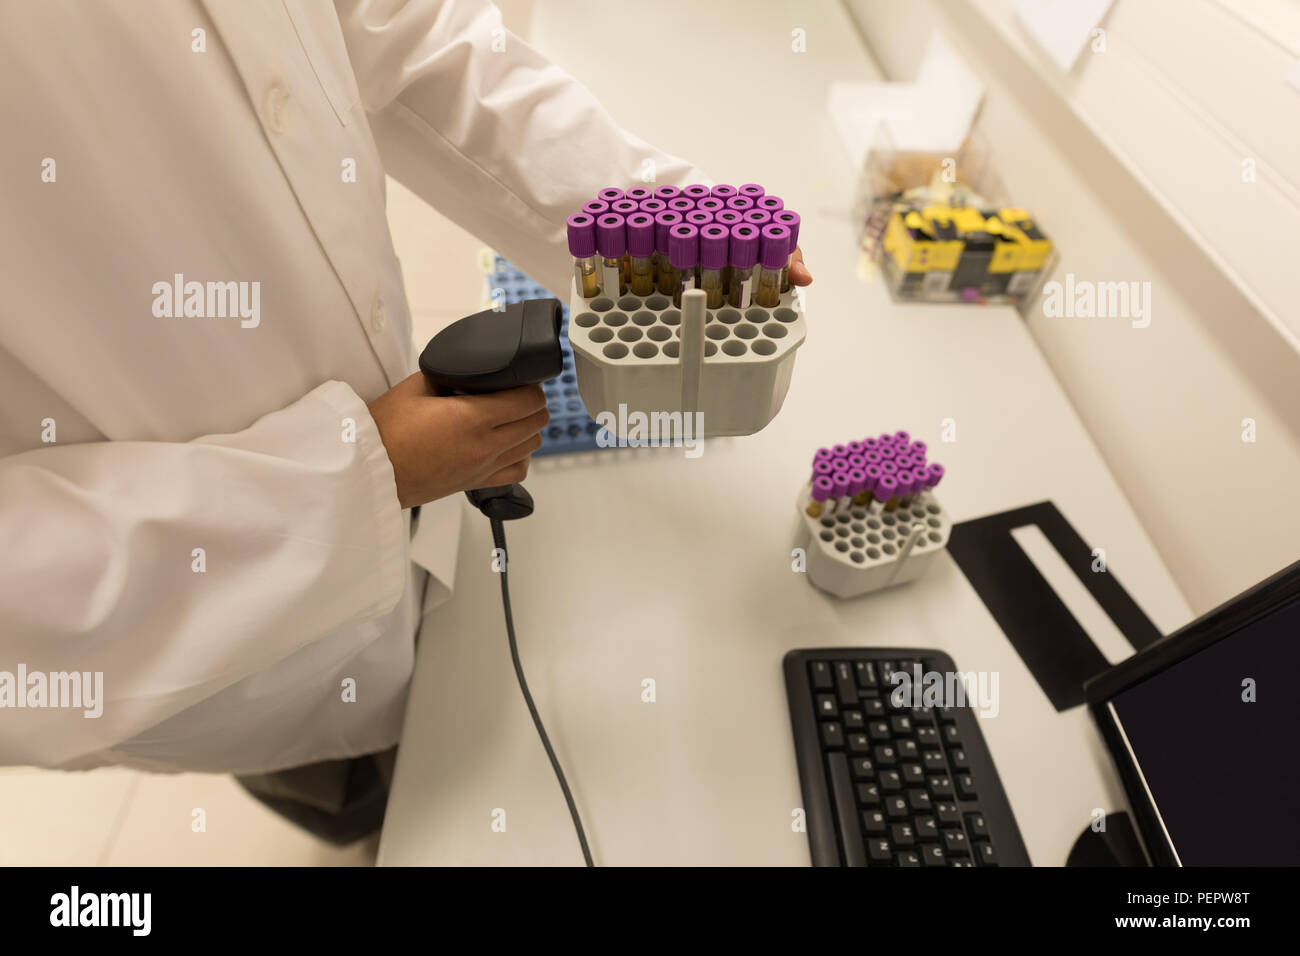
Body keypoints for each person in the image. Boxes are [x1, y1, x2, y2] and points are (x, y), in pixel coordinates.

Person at [0, 0, 811, 843]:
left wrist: (656, 223)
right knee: (363, 782)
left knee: (448, 711)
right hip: (193, 614)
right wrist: (348, 482)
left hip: (405, 481)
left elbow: (409, 36)